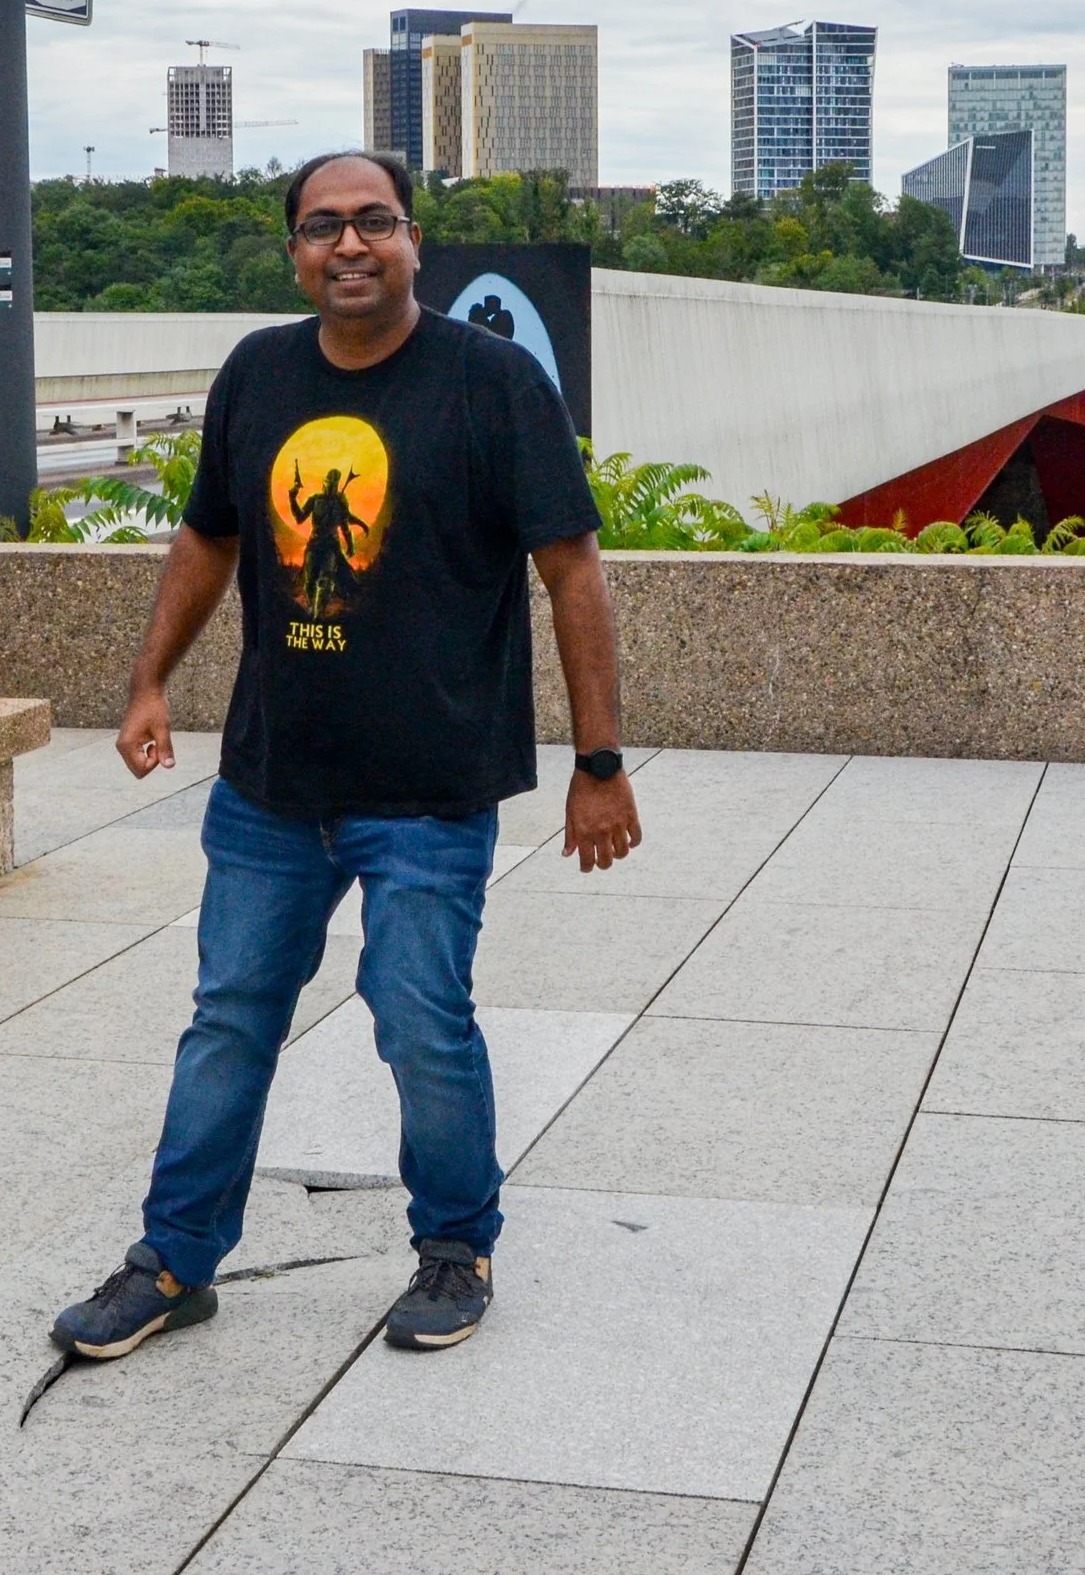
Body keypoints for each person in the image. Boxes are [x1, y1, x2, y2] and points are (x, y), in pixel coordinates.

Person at [52, 149, 642, 1362]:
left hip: (430, 787)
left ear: (414, 240)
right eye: (323, 227)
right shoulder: (258, 372)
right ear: (295, 255)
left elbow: (572, 569)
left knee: (419, 1019)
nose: (350, 244)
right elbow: (209, 535)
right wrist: (149, 679)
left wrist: (599, 761)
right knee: (229, 1017)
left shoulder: (492, 383)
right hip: (273, 782)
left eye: (375, 221)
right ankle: (174, 1259)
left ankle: (456, 1243)